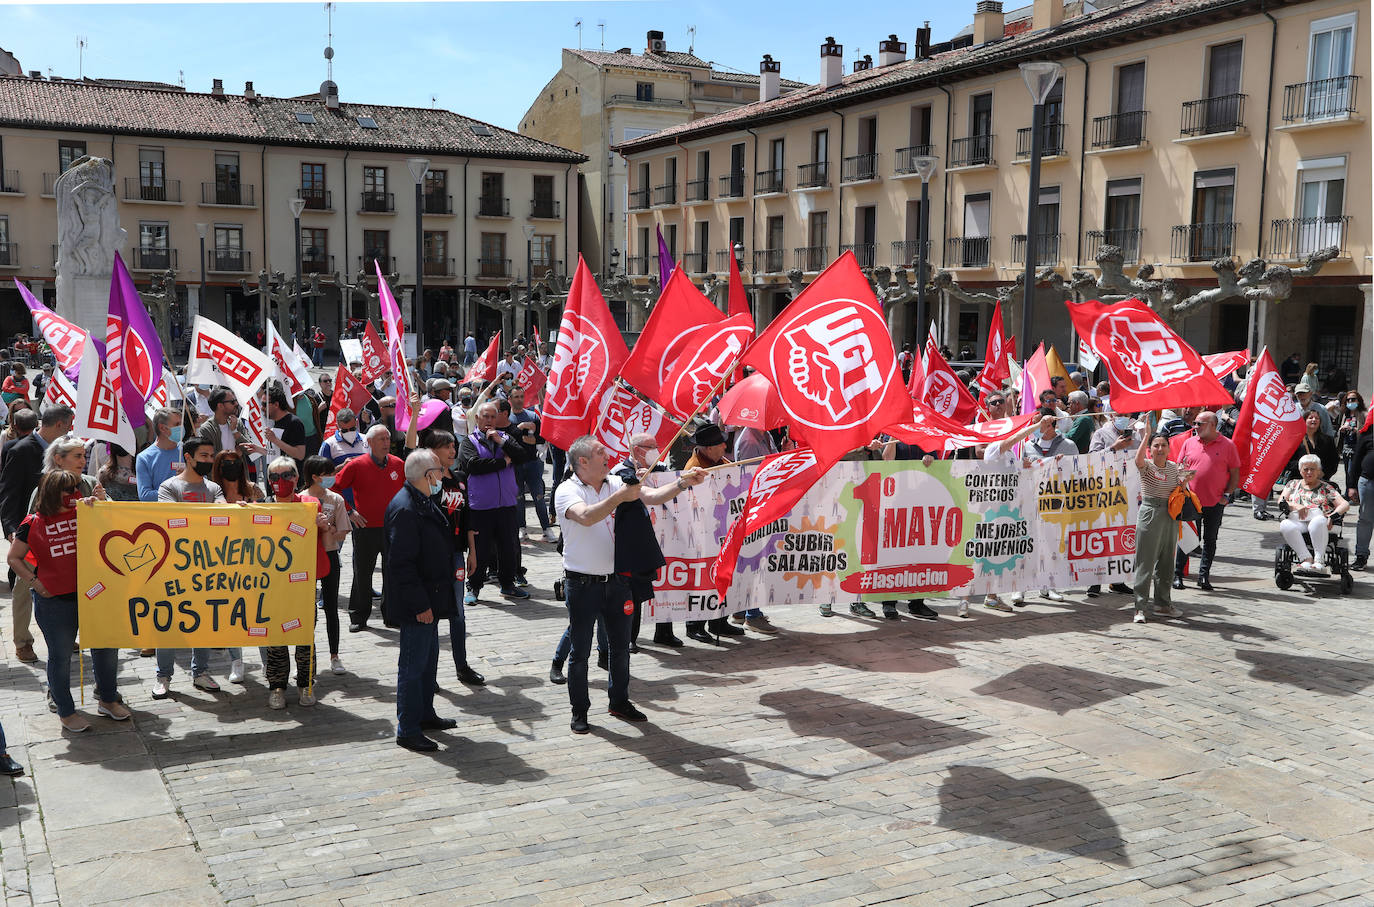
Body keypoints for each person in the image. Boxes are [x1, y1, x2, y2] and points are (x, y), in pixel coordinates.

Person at [554, 436, 704, 734]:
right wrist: (620, 497)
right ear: (583, 461)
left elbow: (651, 495)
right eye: (599, 452)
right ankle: (579, 710)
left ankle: (619, 701)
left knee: (620, 648)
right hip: (582, 584)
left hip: (619, 581)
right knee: (581, 652)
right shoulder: (567, 490)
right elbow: (586, 517)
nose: (607, 455)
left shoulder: (614, 482)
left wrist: (683, 483)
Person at [8, 470, 131, 731]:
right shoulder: (32, 522)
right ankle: (65, 710)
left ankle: (108, 699)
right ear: (52, 492)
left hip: (95, 597)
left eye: (76, 487)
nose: (74, 494)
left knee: (107, 649)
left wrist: (99, 503)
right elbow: (14, 558)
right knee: (61, 657)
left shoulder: (86, 511)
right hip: (55, 603)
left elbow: (116, 525)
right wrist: (37, 584)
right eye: (67, 490)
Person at [385, 449, 461, 752]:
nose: (443, 476)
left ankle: (424, 714)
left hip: (432, 596)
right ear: (427, 475)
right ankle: (408, 727)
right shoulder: (405, 508)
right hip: (417, 603)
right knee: (413, 665)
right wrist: (420, 605)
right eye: (439, 471)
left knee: (428, 662)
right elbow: (401, 564)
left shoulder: (423, 500)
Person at [0, 404, 74, 663]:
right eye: (69, 425)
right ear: (59, 425)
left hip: (62, 534)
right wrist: (11, 530)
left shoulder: (66, 452)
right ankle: (22, 641)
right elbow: (8, 493)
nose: (70, 431)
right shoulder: (20, 450)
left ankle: (66, 634)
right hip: (30, 533)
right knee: (23, 587)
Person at [418, 431, 484, 687]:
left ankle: (462, 666)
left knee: (458, 612)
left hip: (456, 555)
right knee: (432, 614)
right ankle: (429, 674)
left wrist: (473, 552)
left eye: (454, 446)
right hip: (433, 557)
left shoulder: (459, 478)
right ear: (433, 450)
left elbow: (468, 518)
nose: (452, 451)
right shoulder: (426, 481)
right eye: (447, 447)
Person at [262, 457, 327, 708]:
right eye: (275, 477)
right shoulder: (263, 507)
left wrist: (322, 525)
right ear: (269, 481)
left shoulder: (309, 504)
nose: (281, 482)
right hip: (272, 583)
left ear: (296, 477)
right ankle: (277, 686)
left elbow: (324, 533)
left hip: (302, 582)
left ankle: (305, 684)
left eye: (287, 475)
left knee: (304, 634)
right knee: (275, 636)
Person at [456, 400, 532, 603]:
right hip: (480, 506)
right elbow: (474, 465)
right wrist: (504, 462)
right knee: (480, 549)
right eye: (485, 417)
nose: (489, 420)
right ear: (477, 418)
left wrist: (501, 442)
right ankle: (473, 586)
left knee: (508, 548)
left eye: (492, 417)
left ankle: (507, 585)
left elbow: (522, 456)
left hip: (506, 504)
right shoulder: (468, 442)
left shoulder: (505, 438)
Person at [333, 425, 406, 632]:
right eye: (381, 439)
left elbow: (407, 490)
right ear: (370, 443)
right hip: (365, 528)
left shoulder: (398, 464)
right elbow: (334, 487)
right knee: (362, 573)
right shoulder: (357, 465)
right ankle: (358, 615)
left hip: (392, 528)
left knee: (392, 572)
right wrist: (349, 512)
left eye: (387, 438)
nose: (385, 443)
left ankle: (392, 615)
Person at [682, 424, 745, 641]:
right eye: (720, 444)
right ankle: (695, 625)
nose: (725, 446)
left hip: (721, 528)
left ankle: (719, 622)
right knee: (701, 577)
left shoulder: (721, 462)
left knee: (722, 573)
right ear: (708, 449)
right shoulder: (694, 467)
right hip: (702, 532)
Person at [1172, 411, 1240, 591]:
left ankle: (1203, 577)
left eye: (1199, 423)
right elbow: (1179, 467)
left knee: (1210, 540)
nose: (1195, 426)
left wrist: (1227, 495)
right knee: (1187, 538)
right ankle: (1177, 575)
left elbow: (1235, 473)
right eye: (1194, 423)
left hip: (1215, 501)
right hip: (1190, 500)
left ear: (1213, 424)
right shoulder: (1189, 442)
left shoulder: (1228, 445)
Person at [1132, 432, 1194, 623]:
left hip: (1170, 515)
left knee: (1167, 562)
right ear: (1150, 449)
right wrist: (1146, 436)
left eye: (1163, 445)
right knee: (1146, 563)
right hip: (1151, 513)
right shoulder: (1147, 466)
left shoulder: (1174, 467)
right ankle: (1139, 608)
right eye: (1156, 445)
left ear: (1168, 448)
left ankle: (1163, 604)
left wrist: (1184, 483)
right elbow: (1138, 460)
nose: (1160, 449)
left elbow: (1180, 489)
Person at [301, 456, 350, 675]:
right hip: (306, 558)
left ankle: (335, 656)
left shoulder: (336, 499)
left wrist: (330, 530)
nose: (332, 477)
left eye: (332, 473)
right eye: (328, 474)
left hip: (330, 556)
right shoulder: (300, 499)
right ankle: (305, 656)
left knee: (331, 607)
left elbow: (344, 532)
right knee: (305, 609)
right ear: (314, 476)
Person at [1279, 454, 1351, 576]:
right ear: (1300, 470)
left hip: (1323, 522)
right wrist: (1296, 506)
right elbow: (1281, 501)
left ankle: (1319, 561)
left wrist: (1331, 517)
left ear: (1318, 471)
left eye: (1312, 469)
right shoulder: (1293, 484)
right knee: (1285, 524)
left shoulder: (1326, 487)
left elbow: (1344, 504)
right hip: (1299, 521)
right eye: (1305, 469)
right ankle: (1306, 558)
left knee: (1317, 521)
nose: (1309, 472)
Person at [508, 386, 555, 543]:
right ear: (510, 399)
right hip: (515, 466)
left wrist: (533, 439)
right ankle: (522, 529)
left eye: (522, 396)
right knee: (519, 498)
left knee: (539, 497)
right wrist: (520, 429)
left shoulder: (533, 416)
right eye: (516, 397)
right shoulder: (506, 418)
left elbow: (542, 438)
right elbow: (507, 440)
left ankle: (546, 529)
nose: (519, 399)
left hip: (533, 463)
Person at [137, 408, 184, 501]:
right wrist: (175, 489)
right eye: (177, 424)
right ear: (162, 428)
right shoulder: (144, 458)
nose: (182, 428)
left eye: (182, 423)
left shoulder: (188, 451)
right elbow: (145, 496)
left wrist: (189, 480)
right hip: (161, 514)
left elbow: (202, 485)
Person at [1346, 411, 1373, 571]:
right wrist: (1351, 485)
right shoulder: (1367, 433)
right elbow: (1355, 462)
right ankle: (1361, 555)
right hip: (1368, 482)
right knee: (1365, 520)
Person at [1284, 410, 1339, 482]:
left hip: (1320, 480)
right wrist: (1305, 470)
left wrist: (1324, 473)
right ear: (1304, 420)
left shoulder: (1328, 440)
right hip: (1298, 479)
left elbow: (1333, 460)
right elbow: (1288, 461)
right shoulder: (1295, 439)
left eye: (1317, 418)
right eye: (1311, 418)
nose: (1314, 420)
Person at [266, 384, 307, 474]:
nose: (262, 407)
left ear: (276, 404)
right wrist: (256, 449)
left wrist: (275, 440)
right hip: (274, 477)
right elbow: (274, 451)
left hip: (289, 479)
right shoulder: (272, 422)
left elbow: (300, 454)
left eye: (265, 404)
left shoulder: (294, 423)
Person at [1336, 391, 1366, 483]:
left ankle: (1353, 492)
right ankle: (1347, 492)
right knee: (1347, 472)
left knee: (1352, 471)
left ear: (1358, 401)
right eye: (1348, 400)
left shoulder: (1363, 414)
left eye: (1353, 399)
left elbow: (1366, 432)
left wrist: (1354, 429)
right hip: (1346, 446)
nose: (1350, 401)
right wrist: (1342, 429)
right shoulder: (1346, 414)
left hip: (1357, 446)